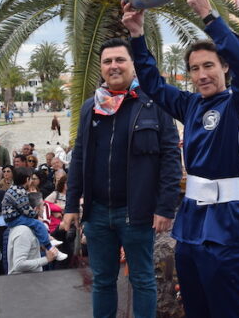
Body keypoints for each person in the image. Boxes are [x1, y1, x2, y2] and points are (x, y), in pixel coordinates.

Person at [121, 0, 239, 317]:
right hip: (191, 230)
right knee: (195, 310)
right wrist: (137, 36)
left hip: (229, 231)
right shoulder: (190, 104)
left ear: (224, 68)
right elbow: (152, 84)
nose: (202, 74)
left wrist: (208, 15)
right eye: (195, 68)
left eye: (210, 66)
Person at [62, 37, 181, 318]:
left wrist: (165, 207)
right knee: (102, 281)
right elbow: (79, 156)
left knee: (142, 280)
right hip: (98, 213)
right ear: (101, 67)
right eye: (107, 61)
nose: (113, 66)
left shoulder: (155, 105)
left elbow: (170, 159)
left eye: (120, 60)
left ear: (133, 65)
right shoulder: (91, 107)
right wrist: (70, 206)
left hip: (137, 213)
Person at [7, 193, 57, 274]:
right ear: (35, 210)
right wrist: (47, 259)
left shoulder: (28, 228)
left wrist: (42, 246)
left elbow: (29, 250)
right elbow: (19, 264)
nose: (44, 209)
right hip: (23, 283)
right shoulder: (23, 231)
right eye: (42, 206)